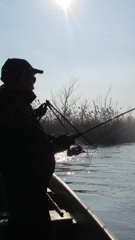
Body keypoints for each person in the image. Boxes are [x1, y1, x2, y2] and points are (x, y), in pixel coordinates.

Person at [0, 58, 75, 240]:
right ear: (20, 78)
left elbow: (30, 137)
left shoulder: (17, 103)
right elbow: (21, 151)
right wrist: (58, 145)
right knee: (30, 229)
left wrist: (54, 139)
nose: (34, 83)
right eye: (32, 78)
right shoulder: (8, 105)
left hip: (32, 186)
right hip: (24, 187)